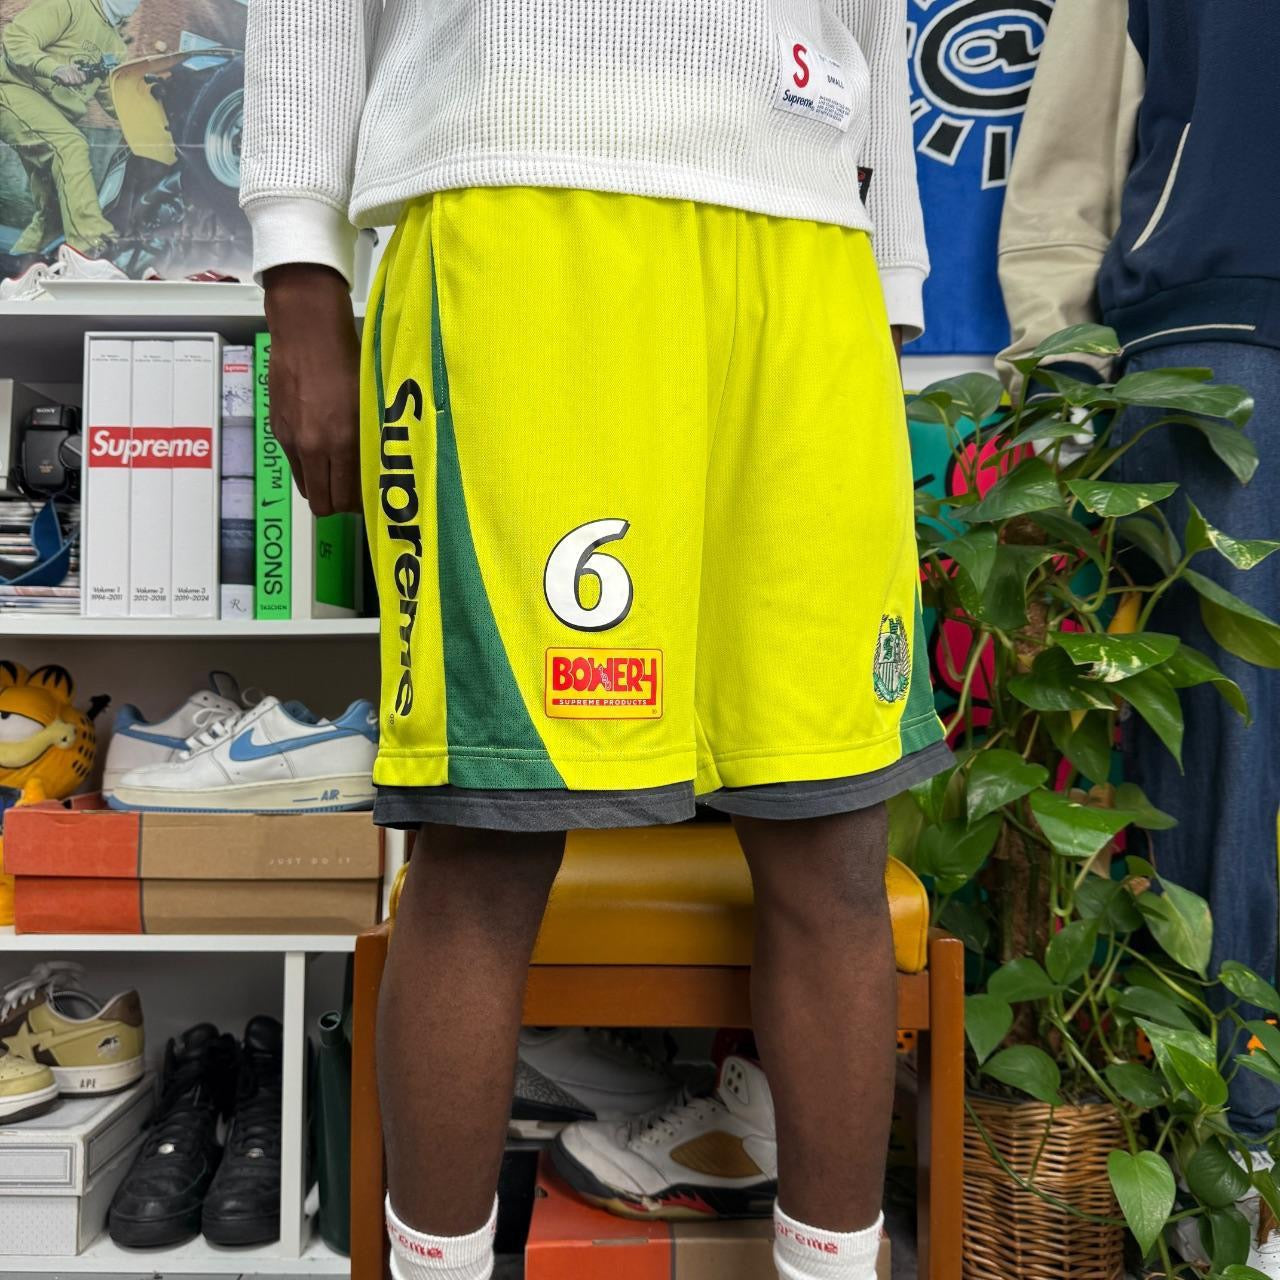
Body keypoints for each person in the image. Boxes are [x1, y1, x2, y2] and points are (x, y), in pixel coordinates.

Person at [242, 5, 949, 1279]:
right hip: (520, 205)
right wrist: (301, 268)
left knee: (831, 829)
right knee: (485, 831)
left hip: (808, 248)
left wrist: (888, 290)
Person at [998, 0, 1280, 1270]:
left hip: (1208, 349)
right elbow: (1064, 153)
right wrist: (1060, 370)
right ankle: (1233, 1178)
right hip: (1208, 348)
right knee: (1216, 783)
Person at [0, 0, 135, 257]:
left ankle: (21, 267)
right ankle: (90, 247)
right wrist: (55, 68)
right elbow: (16, 39)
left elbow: (113, 99)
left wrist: (152, 110)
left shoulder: (115, 47)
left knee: (54, 211)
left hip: (52, 118)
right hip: (15, 92)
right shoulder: (70, 6)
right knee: (70, 145)